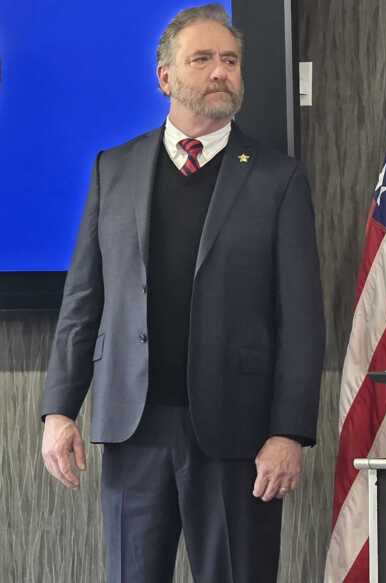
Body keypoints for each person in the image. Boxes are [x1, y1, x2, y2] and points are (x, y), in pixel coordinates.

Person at [39, 5, 324, 582]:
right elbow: (82, 304)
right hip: (133, 428)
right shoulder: (112, 169)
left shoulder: (277, 177)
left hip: (236, 436)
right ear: (165, 77)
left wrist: (288, 432)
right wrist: (58, 410)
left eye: (231, 60)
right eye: (203, 60)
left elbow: (302, 319)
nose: (221, 72)